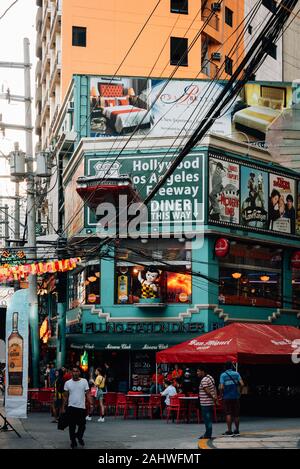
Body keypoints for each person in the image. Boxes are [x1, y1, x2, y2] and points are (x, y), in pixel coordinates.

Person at [63, 366, 89, 449]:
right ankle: (73, 441)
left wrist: (91, 403)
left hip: (81, 407)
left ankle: (79, 436)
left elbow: (88, 393)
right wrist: (63, 407)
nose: (74, 373)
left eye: (76, 371)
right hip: (71, 407)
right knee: (72, 426)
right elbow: (65, 396)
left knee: (82, 426)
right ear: (71, 373)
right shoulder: (67, 383)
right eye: (73, 371)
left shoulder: (84, 381)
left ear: (79, 372)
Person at [219, 361, 244, 436]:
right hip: (235, 396)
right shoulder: (236, 374)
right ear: (231, 367)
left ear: (225, 367)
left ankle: (229, 431)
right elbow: (242, 384)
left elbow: (221, 387)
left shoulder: (223, 375)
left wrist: (221, 394)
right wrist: (240, 392)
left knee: (228, 413)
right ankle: (237, 430)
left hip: (227, 397)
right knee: (236, 414)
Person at [197, 366, 218, 440]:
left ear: (203, 371)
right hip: (210, 403)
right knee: (208, 419)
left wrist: (213, 397)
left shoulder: (204, 380)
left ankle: (208, 435)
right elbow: (214, 388)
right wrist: (215, 399)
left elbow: (207, 391)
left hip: (205, 403)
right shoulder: (210, 377)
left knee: (207, 420)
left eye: (198, 371)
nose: (197, 373)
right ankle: (207, 434)